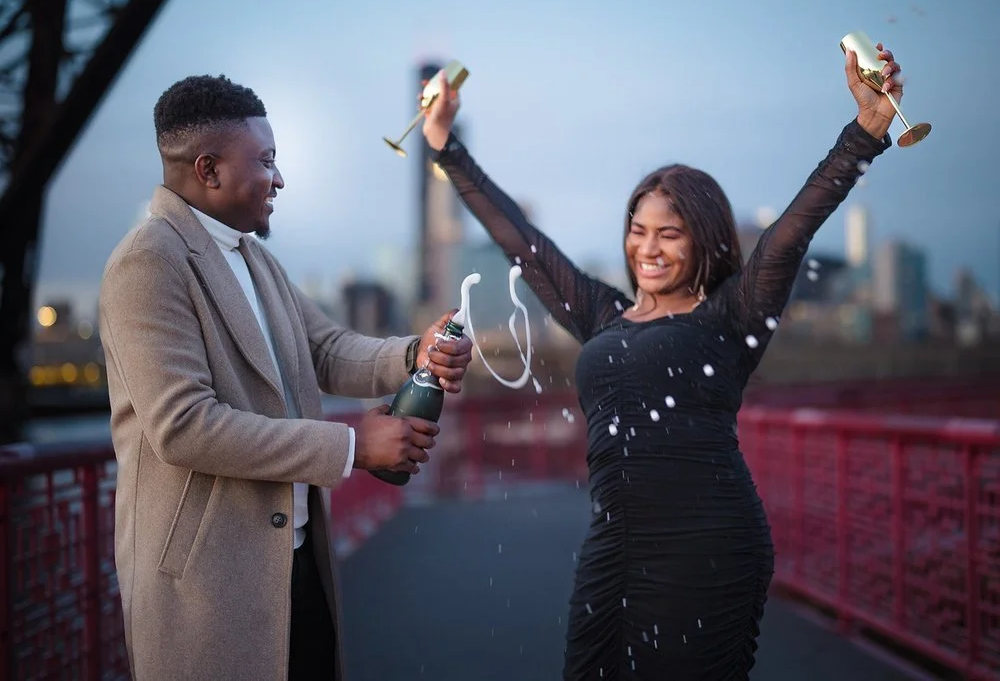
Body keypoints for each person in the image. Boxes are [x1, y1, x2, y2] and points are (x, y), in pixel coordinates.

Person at [419, 42, 905, 678]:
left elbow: (792, 232)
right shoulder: (602, 314)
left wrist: (866, 130)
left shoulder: (733, 315)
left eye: (668, 234)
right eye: (637, 229)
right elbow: (523, 243)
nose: (646, 248)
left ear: (704, 239)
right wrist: (444, 145)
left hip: (706, 546)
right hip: (612, 546)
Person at [98, 74, 473, 681]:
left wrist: (415, 352)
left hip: (295, 564)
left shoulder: (253, 256)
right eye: (266, 162)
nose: (279, 179)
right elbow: (184, 427)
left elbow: (325, 349)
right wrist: (352, 446)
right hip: (209, 584)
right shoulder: (148, 261)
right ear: (209, 169)